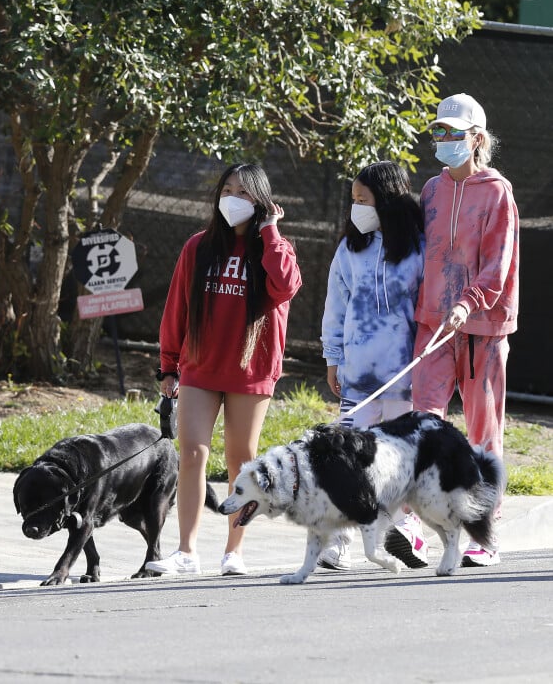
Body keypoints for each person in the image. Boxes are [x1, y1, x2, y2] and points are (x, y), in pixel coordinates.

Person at [146, 163, 302, 577]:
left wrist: (270, 231)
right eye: (227, 189)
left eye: (244, 193)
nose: (233, 198)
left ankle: (234, 552)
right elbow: (176, 307)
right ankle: (186, 551)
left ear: (262, 201)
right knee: (192, 453)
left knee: (241, 460)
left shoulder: (275, 249)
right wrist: (168, 364)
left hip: (251, 372)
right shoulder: (197, 247)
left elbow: (286, 285)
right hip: (199, 367)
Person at [385, 93, 519, 569]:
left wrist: (467, 304)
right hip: (432, 327)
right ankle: (412, 527)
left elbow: (497, 266)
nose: (442, 140)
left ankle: (485, 534)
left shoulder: (497, 192)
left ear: (476, 138)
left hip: (482, 328)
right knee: (423, 422)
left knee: (484, 432)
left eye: (452, 133)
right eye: (437, 132)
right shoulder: (432, 190)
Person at [318, 160, 425, 570]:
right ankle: (338, 542)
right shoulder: (349, 248)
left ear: (389, 201)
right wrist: (334, 356)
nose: (356, 208)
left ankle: (406, 533)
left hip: (405, 378)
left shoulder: (419, 246)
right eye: (353, 201)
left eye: (364, 200)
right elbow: (335, 305)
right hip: (358, 377)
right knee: (350, 459)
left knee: (399, 460)